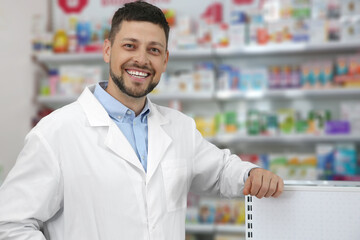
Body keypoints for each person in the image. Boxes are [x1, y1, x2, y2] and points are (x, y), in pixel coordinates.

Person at [0, 1, 283, 239]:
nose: (141, 59)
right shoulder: (55, 133)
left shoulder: (179, 127)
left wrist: (251, 174)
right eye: (130, 45)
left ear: (165, 60)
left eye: (154, 50)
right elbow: (11, 223)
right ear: (108, 50)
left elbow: (221, 171)